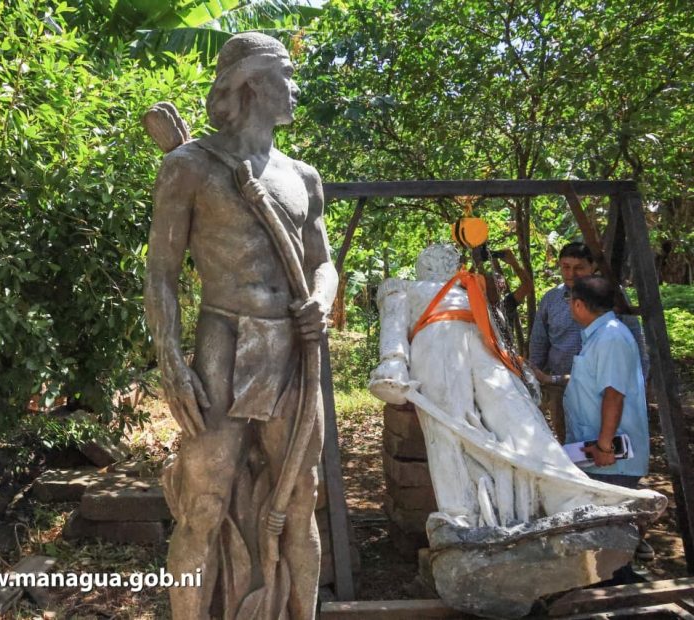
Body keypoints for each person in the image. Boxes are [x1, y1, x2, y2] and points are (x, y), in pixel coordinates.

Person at [144, 33, 337, 620]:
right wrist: (170, 359)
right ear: (251, 82)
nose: (296, 88)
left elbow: (323, 263)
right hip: (222, 343)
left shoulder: (303, 177)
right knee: (202, 504)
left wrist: (322, 300)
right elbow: (161, 273)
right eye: (287, 75)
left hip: (292, 348)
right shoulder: (189, 166)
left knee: (300, 499)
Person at [369, 245, 663, 530]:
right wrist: (393, 363)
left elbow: (494, 332)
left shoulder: (466, 288)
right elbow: (395, 324)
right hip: (440, 342)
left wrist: (520, 373)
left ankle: (567, 495)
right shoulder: (410, 287)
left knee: (518, 421)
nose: (440, 263)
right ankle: (461, 513)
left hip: (478, 348)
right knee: (453, 429)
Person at [563, 275, 654, 560]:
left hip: (611, 459)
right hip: (595, 452)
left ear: (579, 304)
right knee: (604, 540)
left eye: (570, 301)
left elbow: (614, 395)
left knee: (610, 544)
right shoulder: (600, 335)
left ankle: (620, 579)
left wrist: (604, 446)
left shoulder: (610, 337)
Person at [530, 241, 649, 443]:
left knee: (603, 433)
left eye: (579, 268)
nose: (571, 274)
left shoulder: (609, 299)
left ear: (592, 266)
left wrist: (641, 382)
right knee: (571, 442)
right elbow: (539, 342)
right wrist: (536, 377)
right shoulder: (551, 298)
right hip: (560, 385)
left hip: (602, 387)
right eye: (566, 267)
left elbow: (636, 341)